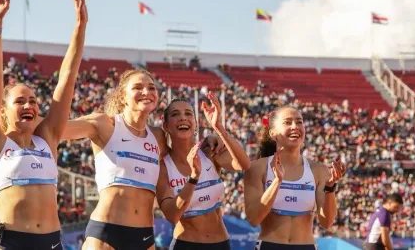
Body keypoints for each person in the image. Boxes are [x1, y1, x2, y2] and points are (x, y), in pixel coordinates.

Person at [0, 0, 87, 249]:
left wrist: (80, 27)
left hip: (52, 243)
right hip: (11, 243)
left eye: (33, 101)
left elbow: (67, 80)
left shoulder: (46, 139)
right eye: (20, 101)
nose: (29, 106)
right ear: (4, 111)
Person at [60, 69, 224, 250]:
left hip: (144, 236)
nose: (146, 92)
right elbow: (55, 130)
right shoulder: (104, 125)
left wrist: (209, 141)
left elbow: (182, 154)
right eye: (138, 87)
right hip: (107, 232)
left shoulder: (159, 137)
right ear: (123, 96)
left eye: (152, 88)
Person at [156, 92, 251, 250]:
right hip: (185, 245)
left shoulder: (210, 152)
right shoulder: (163, 167)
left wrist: (219, 128)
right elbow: (172, 215)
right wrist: (193, 178)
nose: (183, 118)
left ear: (195, 123)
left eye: (188, 114)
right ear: (166, 126)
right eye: (175, 114)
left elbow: (244, 164)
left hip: (221, 244)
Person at [243, 105, 346, 250]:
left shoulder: (319, 170)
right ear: (273, 133)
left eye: (299, 122)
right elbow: (254, 219)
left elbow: (327, 222)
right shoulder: (256, 168)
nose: (295, 127)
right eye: (287, 122)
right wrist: (276, 182)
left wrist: (330, 188)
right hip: (270, 246)